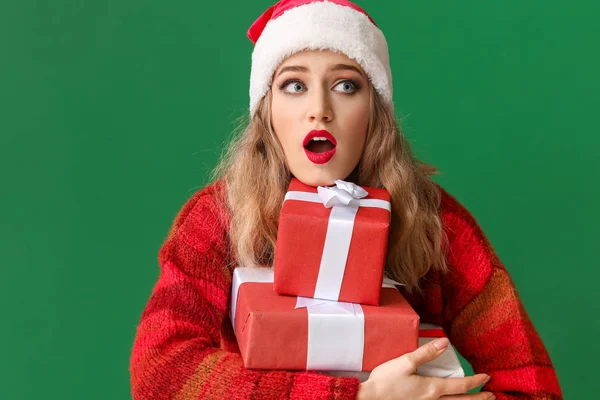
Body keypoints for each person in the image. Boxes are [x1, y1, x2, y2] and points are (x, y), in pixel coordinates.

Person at [129, 0, 563, 399]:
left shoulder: (434, 221)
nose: (319, 108)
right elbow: (159, 373)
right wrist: (357, 397)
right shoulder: (217, 217)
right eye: (294, 85)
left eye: (346, 85)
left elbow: (532, 382)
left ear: (376, 108)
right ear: (266, 110)